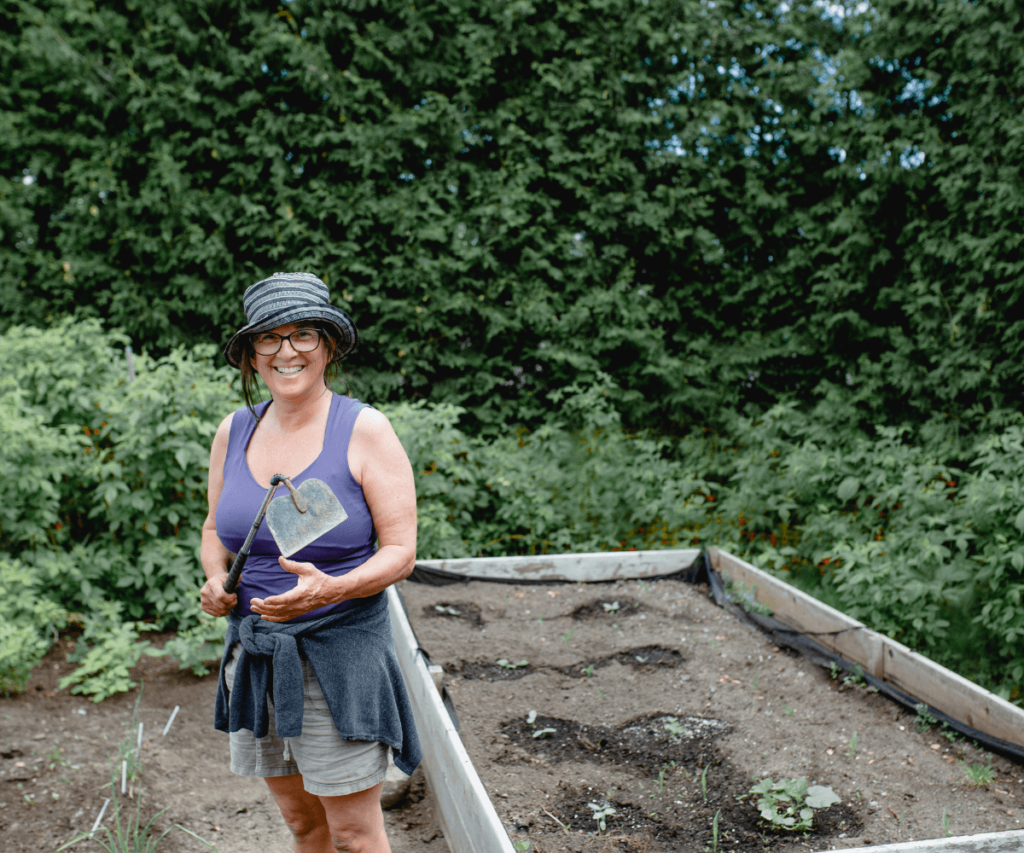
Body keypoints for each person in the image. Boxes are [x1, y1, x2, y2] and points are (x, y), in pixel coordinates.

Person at [199, 271, 421, 853]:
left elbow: (402, 553)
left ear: (326, 345)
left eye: (302, 335)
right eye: (268, 339)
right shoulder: (235, 430)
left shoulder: (364, 429)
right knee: (303, 824)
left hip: (338, 650)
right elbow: (211, 529)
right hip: (258, 652)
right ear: (251, 355)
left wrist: (334, 587)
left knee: (352, 832)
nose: (286, 351)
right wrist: (214, 579)